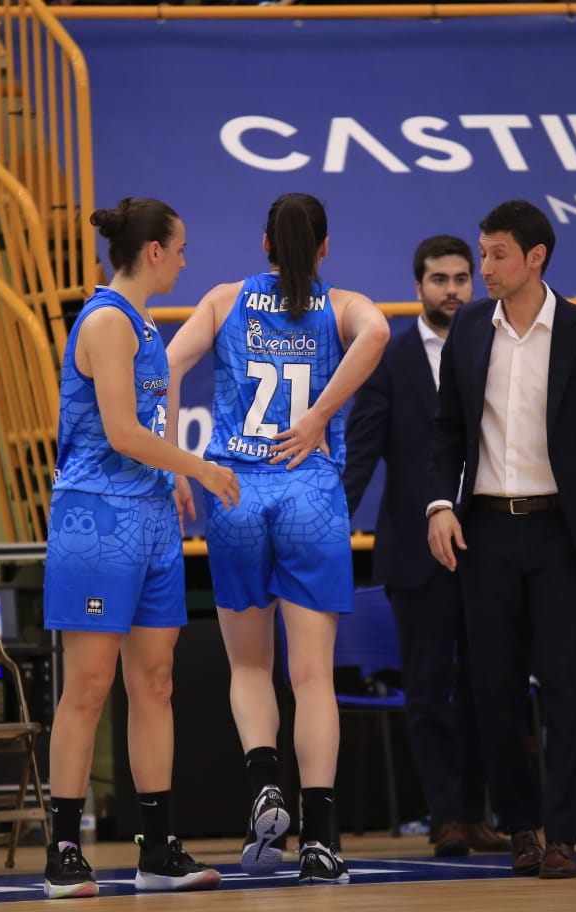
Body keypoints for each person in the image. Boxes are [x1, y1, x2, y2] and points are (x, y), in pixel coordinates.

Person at [166, 192, 389, 885]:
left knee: (249, 667)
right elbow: (379, 334)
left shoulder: (224, 299)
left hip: (233, 494)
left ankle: (265, 782)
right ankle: (320, 839)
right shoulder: (342, 305)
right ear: (324, 248)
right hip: (309, 494)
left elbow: (167, 365)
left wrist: (175, 458)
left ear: (264, 244)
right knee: (314, 676)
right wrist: (322, 413)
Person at [426, 199, 576, 880]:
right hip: (486, 528)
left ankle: (563, 836)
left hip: (561, 533)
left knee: (565, 688)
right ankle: (520, 828)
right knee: (491, 690)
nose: (482, 268)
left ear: (535, 258)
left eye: (495, 255)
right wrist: (439, 504)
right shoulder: (466, 329)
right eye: (481, 253)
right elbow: (448, 432)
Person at [42, 198, 238, 899]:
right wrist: (201, 469)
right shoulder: (104, 322)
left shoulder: (146, 323)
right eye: (180, 247)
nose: (187, 259)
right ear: (153, 250)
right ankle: (63, 848)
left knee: (155, 683)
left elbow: (138, 433)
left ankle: (158, 848)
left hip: (151, 519)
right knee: (89, 687)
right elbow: (122, 432)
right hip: (96, 521)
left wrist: (170, 482)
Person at [342, 235, 509, 857]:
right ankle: (446, 818)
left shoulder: (498, 344)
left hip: (492, 545)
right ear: (418, 286)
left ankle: (477, 812)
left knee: (487, 688)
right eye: (440, 279)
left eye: (463, 278)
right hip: (416, 552)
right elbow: (361, 449)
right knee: (428, 688)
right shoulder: (389, 356)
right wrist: (333, 520)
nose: (453, 290)